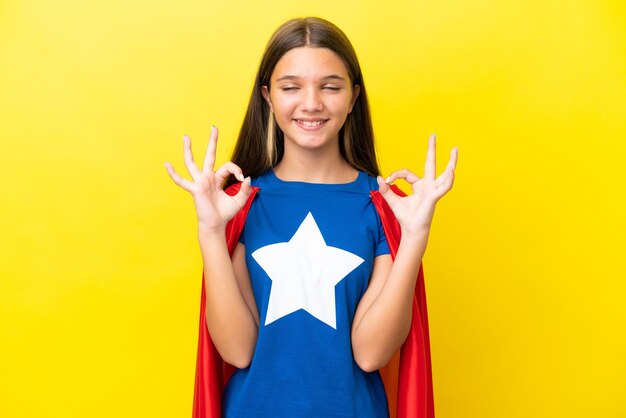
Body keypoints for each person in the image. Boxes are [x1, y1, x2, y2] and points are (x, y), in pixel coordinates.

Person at [165, 16, 457, 418]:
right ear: (267, 96)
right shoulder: (239, 204)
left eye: (330, 87)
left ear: (353, 97)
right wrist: (211, 232)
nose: (311, 103)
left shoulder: (384, 207)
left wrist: (415, 237)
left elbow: (371, 355)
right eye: (291, 87)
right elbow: (237, 349)